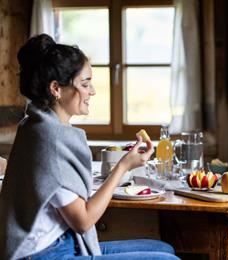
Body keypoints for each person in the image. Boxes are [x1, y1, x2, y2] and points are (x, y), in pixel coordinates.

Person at [0, 34, 179, 260]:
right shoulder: (49, 140)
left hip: (61, 242)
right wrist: (123, 167)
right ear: (56, 88)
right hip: (44, 255)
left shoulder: (37, 125)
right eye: (85, 84)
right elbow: (83, 221)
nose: (92, 91)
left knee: (165, 249)